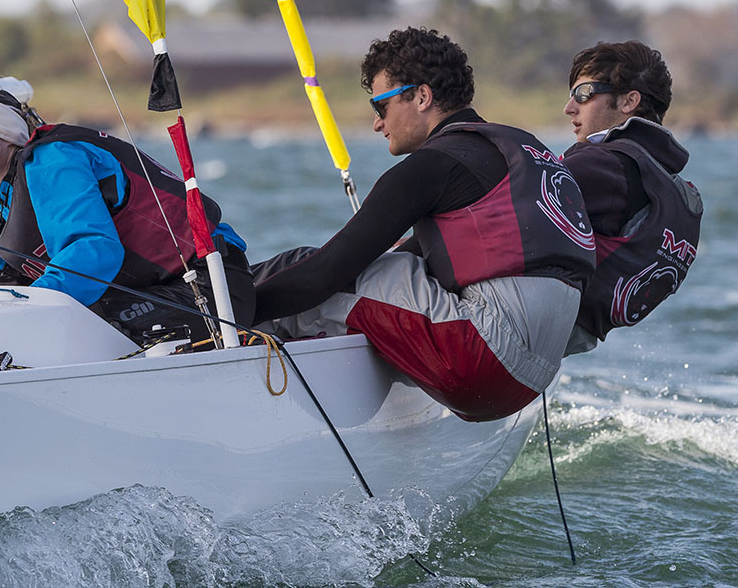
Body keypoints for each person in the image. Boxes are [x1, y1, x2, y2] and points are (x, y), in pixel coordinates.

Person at [253, 27, 596, 422]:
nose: (377, 124)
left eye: (380, 106)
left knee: (307, 271)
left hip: (482, 363)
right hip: (538, 374)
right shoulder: (522, 150)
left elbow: (327, 271)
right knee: (391, 265)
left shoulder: (432, 166)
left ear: (421, 96)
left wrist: (238, 306)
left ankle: (216, 346)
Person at [0, 83, 254, 344]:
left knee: (76, 328)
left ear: (3, 128)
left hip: (210, 289)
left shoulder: (52, 160)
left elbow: (94, 252)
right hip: (165, 292)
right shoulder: (4, 221)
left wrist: (29, 309)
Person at [561, 41, 702, 355]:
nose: (570, 108)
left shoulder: (603, 165)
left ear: (629, 102)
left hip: (513, 331)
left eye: (584, 94)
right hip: (564, 345)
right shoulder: (664, 183)